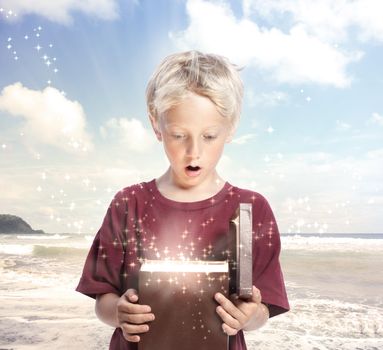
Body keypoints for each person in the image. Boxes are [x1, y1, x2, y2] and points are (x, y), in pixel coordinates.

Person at [76, 50, 289, 349]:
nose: (194, 152)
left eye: (209, 136)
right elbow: (103, 301)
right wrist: (119, 313)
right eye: (179, 135)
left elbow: (263, 308)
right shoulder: (128, 204)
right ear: (156, 125)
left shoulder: (252, 209)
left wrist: (248, 316)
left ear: (231, 128)